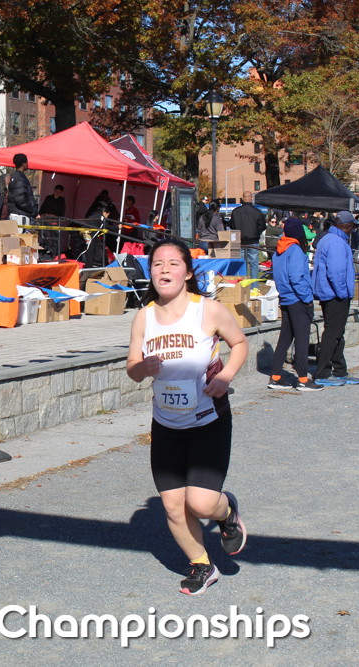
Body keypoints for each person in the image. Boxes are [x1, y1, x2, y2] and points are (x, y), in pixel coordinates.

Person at [126, 237, 248, 596]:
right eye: (157, 264)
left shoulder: (208, 311)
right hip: (166, 425)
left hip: (208, 421)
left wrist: (225, 377)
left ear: (188, 273)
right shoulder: (144, 317)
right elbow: (132, 367)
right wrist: (141, 368)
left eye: (173, 264)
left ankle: (226, 513)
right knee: (173, 506)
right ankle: (202, 565)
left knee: (201, 503)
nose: (164, 270)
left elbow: (240, 343)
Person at [267, 218, 321, 391]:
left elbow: (279, 274)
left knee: (285, 338)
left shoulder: (279, 250)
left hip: (285, 297)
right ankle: (303, 379)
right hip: (298, 299)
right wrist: (307, 298)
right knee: (302, 339)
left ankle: (275, 376)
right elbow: (296, 277)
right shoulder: (295, 250)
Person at [311, 211, 359, 386]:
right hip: (335, 294)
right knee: (332, 334)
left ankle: (340, 370)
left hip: (330, 293)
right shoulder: (337, 243)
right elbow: (336, 272)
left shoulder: (328, 238)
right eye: (352, 227)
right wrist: (342, 293)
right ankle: (323, 373)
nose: (353, 230)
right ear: (347, 226)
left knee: (337, 333)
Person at [229, 191, 266, 279]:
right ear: (251, 198)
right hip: (253, 241)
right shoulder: (257, 212)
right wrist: (257, 232)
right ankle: (253, 284)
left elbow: (232, 225)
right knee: (254, 264)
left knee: (241, 264)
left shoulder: (235, 212)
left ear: (242, 198)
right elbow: (263, 226)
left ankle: (241, 283)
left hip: (240, 241)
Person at [6, 153, 37, 218]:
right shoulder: (20, 178)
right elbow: (20, 200)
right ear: (23, 164)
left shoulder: (15, 176)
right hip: (20, 215)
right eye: (27, 162)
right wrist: (32, 210)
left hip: (17, 213)